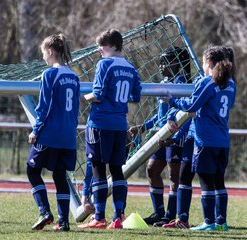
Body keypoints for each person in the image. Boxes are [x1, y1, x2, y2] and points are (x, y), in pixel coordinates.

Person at [162, 45, 236, 231]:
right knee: (219, 181)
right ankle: (221, 222)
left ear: (208, 63)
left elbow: (191, 105)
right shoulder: (231, 84)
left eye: (203, 63)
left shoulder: (207, 82)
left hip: (206, 140)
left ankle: (208, 222)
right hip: (222, 141)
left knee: (205, 181)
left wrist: (171, 100)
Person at [77, 29, 142, 230]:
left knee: (97, 167)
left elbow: (97, 94)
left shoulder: (104, 64)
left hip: (100, 123)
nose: (99, 50)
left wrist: (83, 97)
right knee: (116, 170)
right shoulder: (131, 68)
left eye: (102, 46)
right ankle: (118, 217)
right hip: (120, 125)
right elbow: (135, 96)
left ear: (114, 46)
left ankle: (99, 217)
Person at [129, 47, 190, 227]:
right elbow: (160, 116)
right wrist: (143, 127)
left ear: (178, 64)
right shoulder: (164, 83)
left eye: (167, 62)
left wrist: (176, 137)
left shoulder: (184, 85)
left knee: (174, 176)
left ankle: (171, 215)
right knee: (152, 170)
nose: (162, 66)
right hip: (161, 136)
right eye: (161, 62)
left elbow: (187, 113)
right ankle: (159, 213)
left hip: (176, 137)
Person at [27, 34, 80, 232]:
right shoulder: (74, 76)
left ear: (50, 51)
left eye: (43, 54)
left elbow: (44, 107)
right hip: (68, 135)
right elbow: (75, 109)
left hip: (50, 133)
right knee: (60, 175)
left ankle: (44, 212)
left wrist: (36, 130)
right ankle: (64, 222)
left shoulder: (49, 74)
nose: (43, 58)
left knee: (32, 170)